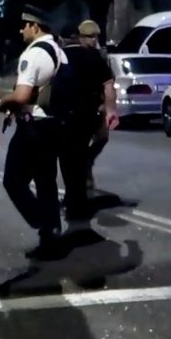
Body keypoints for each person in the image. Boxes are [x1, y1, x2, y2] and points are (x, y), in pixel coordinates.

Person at [0, 4, 68, 261]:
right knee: (46, 183)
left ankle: (44, 222)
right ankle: (51, 240)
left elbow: (22, 95)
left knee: (13, 181)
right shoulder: (59, 52)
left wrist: (1, 102)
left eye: (24, 25)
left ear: (35, 27)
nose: (21, 30)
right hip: (54, 125)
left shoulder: (34, 54)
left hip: (33, 127)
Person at [64, 19, 119, 210]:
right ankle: (78, 193)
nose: (94, 40)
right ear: (81, 37)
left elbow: (108, 84)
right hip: (75, 111)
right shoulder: (69, 55)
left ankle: (84, 171)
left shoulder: (96, 56)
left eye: (96, 36)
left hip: (93, 109)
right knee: (75, 155)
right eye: (90, 36)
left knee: (101, 139)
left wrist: (110, 109)